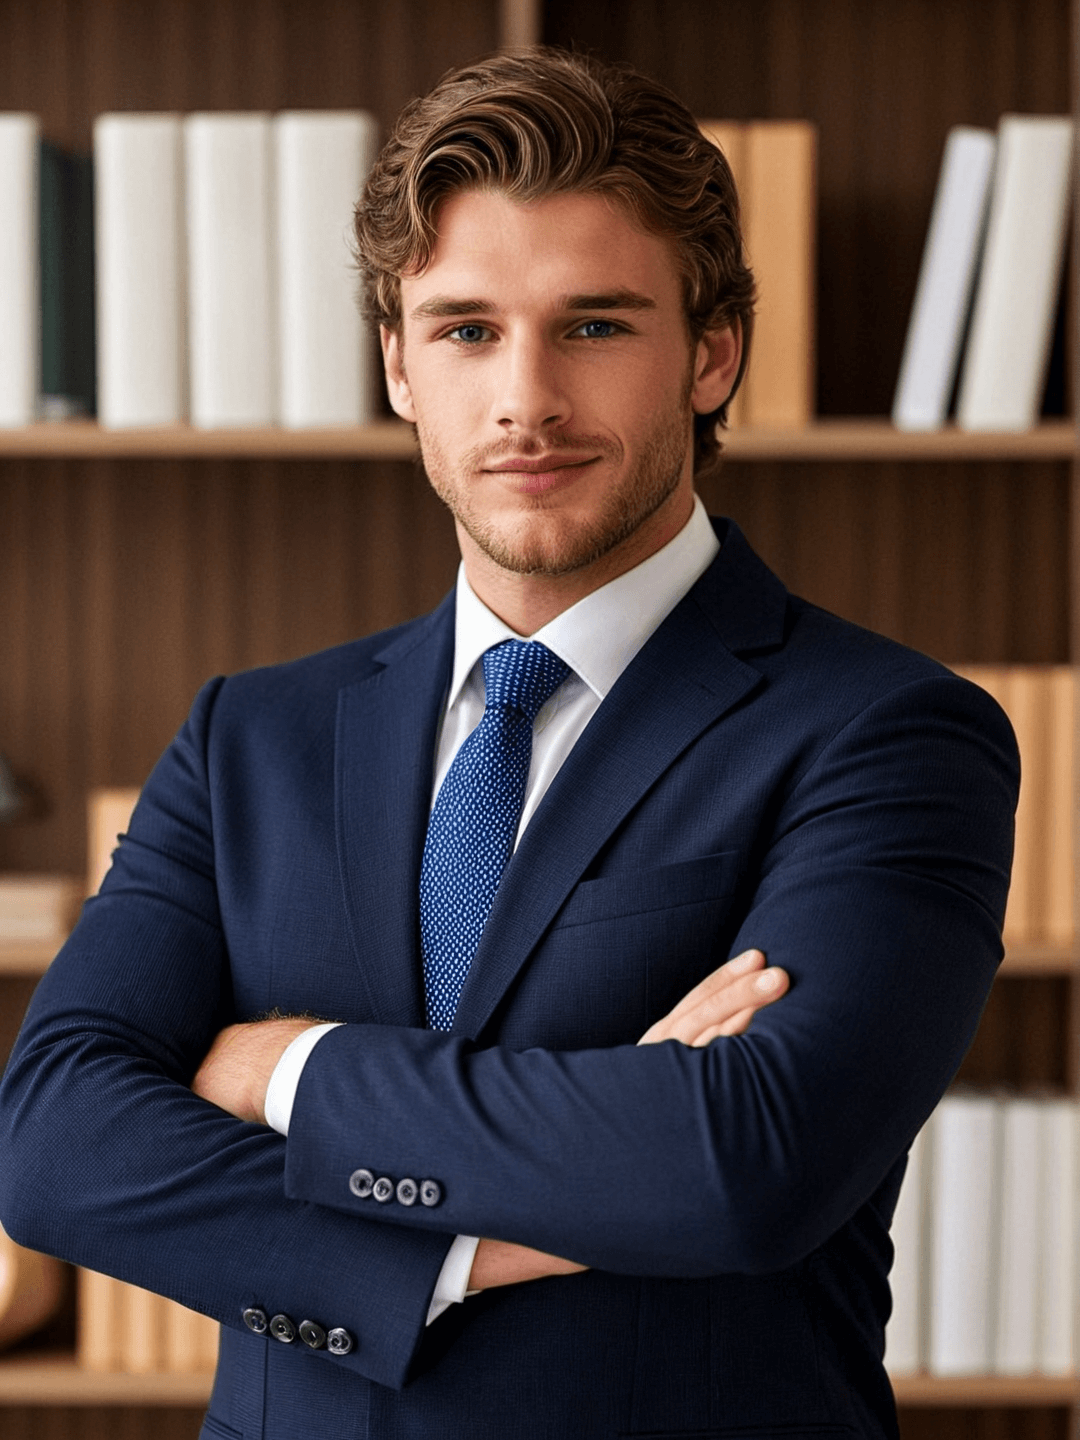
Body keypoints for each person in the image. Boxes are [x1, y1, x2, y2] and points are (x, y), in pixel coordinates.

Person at [0, 46, 1017, 1440]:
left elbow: (743, 1159)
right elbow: (55, 1141)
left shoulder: (888, 734)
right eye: (467, 329)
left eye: (594, 326)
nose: (524, 399)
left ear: (712, 352)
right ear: (399, 366)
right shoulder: (257, 734)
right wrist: (466, 1256)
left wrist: (280, 1071)